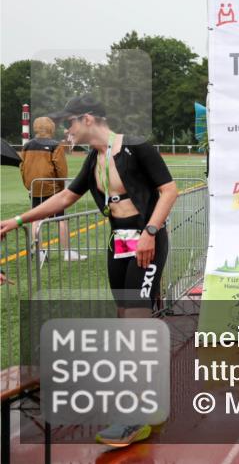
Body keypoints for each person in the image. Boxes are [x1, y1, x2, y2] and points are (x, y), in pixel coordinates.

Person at [0, 94, 178, 449]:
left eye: (69, 124)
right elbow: (66, 198)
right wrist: (17, 219)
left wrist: (151, 233)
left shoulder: (136, 146)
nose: (67, 130)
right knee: (127, 318)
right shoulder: (94, 159)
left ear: (87, 119)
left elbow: (169, 190)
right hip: (119, 245)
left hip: (147, 242)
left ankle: (134, 415)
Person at [18, 116, 83, 262]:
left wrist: (29, 185)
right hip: (52, 188)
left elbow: (22, 168)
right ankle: (67, 252)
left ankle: (40, 252)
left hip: (34, 187)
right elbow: (61, 170)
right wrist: (61, 187)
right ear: (51, 128)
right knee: (61, 219)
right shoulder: (55, 145)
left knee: (36, 218)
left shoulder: (27, 146)